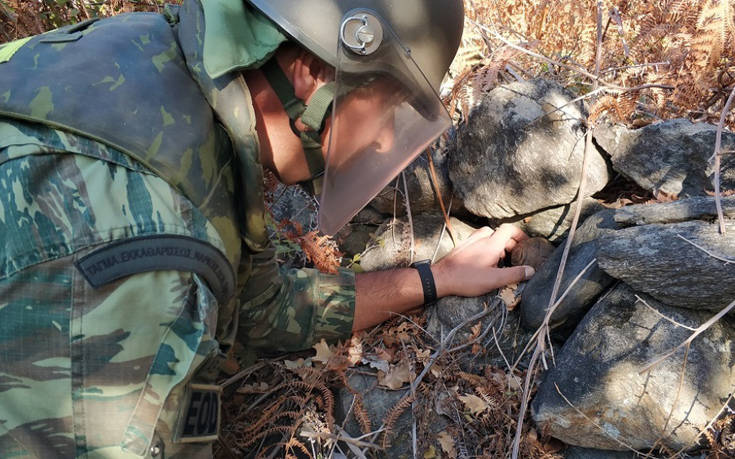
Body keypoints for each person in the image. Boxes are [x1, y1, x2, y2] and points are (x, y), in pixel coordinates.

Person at [0, 0, 535, 456]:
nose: (381, 141)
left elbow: (261, 311)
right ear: (315, 72)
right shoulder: (147, 253)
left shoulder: (149, 61)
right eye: (390, 108)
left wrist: (435, 278)